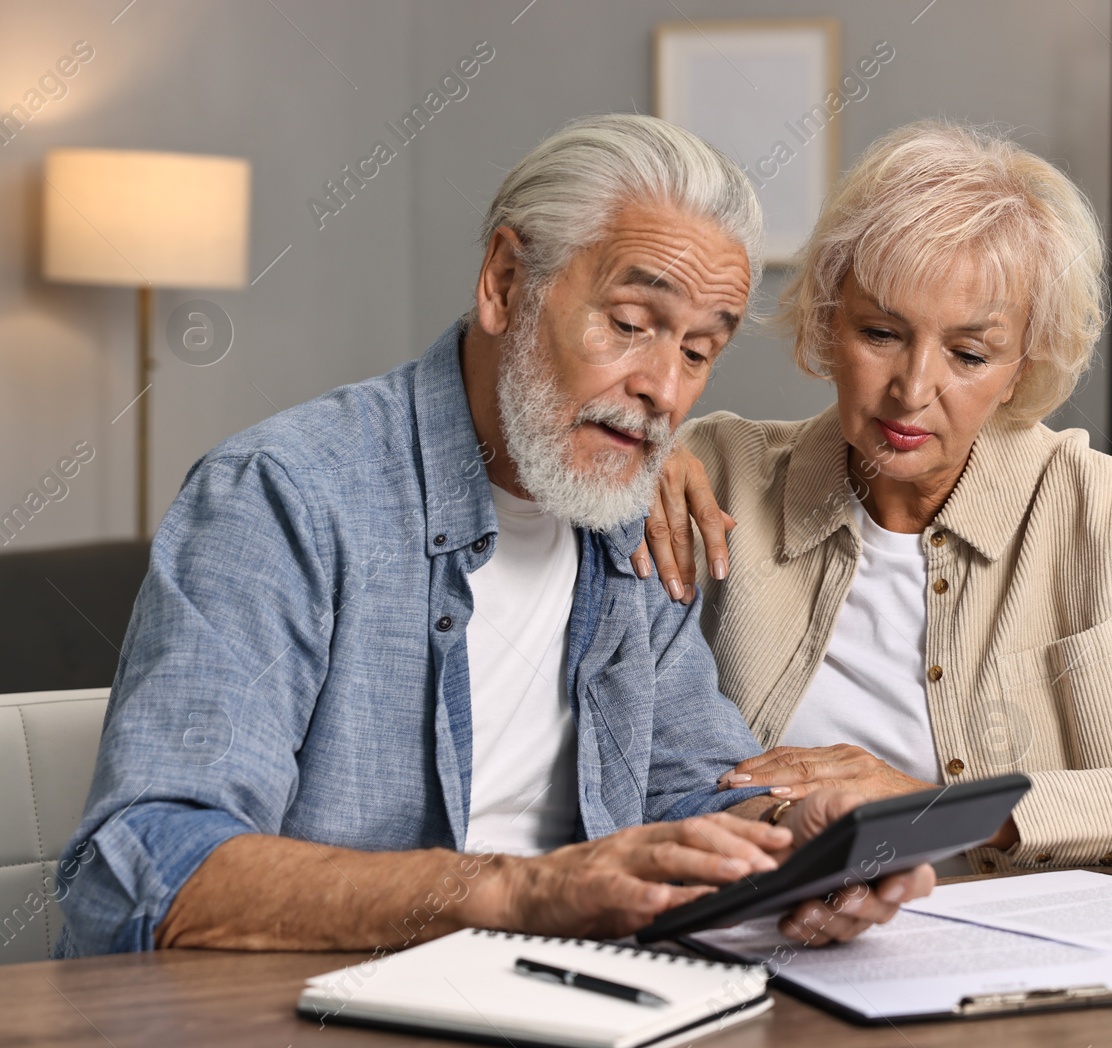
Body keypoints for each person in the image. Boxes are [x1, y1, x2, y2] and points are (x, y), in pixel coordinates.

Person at [55, 114, 931, 958]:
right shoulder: (283, 497)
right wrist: (521, 893)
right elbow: (143, 867)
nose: (664, 386)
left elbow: (691, 786)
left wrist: (794, 848)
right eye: (629, 325)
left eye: (699, 351)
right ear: (507, 283)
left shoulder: (628, 522)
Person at [633, 121, 1112, 874]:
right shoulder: (714, 474)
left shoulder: (1110, 517)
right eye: (881, 332)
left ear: (1022, 369)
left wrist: (949, 810)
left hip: (1015, 965)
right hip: (771, 933)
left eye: (968, 353)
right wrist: (632, 466)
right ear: (830, 322)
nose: (913, 389)